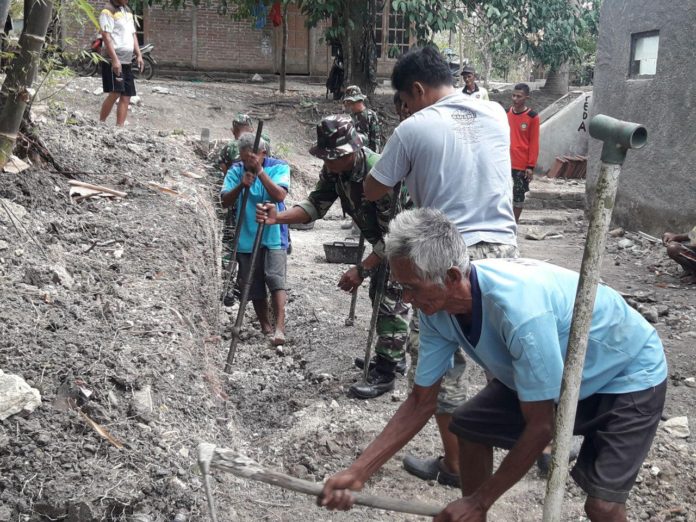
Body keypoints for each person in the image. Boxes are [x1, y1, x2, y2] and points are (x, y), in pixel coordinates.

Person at [319, 208, 668, 522]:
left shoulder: (520, 313)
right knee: (469, 425)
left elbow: (542, 426)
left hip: (626, 373)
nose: (406, 299)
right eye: (402, 288)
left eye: (412, 288)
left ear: (451, 277)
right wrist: (359, 471)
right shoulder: (436, 309)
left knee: (602, 507)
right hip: (560, 373)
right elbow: (421, 401)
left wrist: (480, 501)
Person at [364, 45, 518, 488]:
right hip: (504, 251)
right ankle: (541, 447)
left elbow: (374, 189)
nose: (405, 110)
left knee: (441, 363)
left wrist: (398, 149)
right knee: (508, 354)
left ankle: (455, 466)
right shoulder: (495, 112)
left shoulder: (413, 128)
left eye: (404, 102)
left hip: (447, 257)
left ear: (416, 90)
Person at [256, 115, 410, 398]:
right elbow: (316, 204)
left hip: (405, 241)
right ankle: (393, 354)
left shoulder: (379, 174)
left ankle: (386, 371)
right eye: (324, 156)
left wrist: (361, 269)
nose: (326, 162)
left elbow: (395, 237)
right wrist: (278, 217)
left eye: (331, 157)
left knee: (389, 296)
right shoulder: (334, 171)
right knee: (379, 292)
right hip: (385, 240)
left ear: (349, 152)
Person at [220, 133, 289, 346]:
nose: (246, 163)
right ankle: (266, 327)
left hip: (273, 233)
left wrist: (259, 172)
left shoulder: (278, 167)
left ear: (262, 154)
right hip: (246, 233)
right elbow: (224, 201)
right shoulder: (236, 170)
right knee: (253, 282)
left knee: (275, 279)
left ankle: (280, 328)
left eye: (251, 158)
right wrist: (241, 185)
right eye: (243, 159)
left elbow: (279, 195)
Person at [98, 0, 143, 126]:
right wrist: (115, 59)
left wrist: (138, 54)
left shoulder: (127, 10)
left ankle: (120, 127)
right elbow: (106, 36)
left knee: (127, 95)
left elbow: (132, 34)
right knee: (115, 92)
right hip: (114, 60)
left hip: (127, 60)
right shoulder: (108, 11)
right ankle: (101, 123)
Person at [507, 83, 540, 223]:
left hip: (521, 164)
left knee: (518, 195)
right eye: (513, 95)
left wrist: (530, 166)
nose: (515, 99)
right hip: (505, 161)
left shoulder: (532, 117)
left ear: (526, 98)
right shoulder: (505, 113)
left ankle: (513, 224)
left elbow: (534, 143)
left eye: (519, 96)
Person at [343, 85, 382, 152]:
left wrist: (375, 155)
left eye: (352, 103)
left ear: (360, 101)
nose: (351, 106)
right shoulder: (349, 116)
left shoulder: (370, 115)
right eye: (349, 103)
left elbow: (375, 140)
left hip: (367, 153)